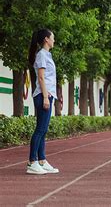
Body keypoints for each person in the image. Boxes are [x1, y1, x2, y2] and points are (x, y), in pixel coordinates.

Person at [27, 29, 59, 175]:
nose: (54, 40)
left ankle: (42, 160)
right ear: (46, 39)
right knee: (40, 129)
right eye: (53, 38)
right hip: (42, 95)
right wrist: (46, 97)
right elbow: (41, 78)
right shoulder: (41, 55)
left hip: (48, 95)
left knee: (43, 129)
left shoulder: (47, 55)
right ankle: (32, 162)